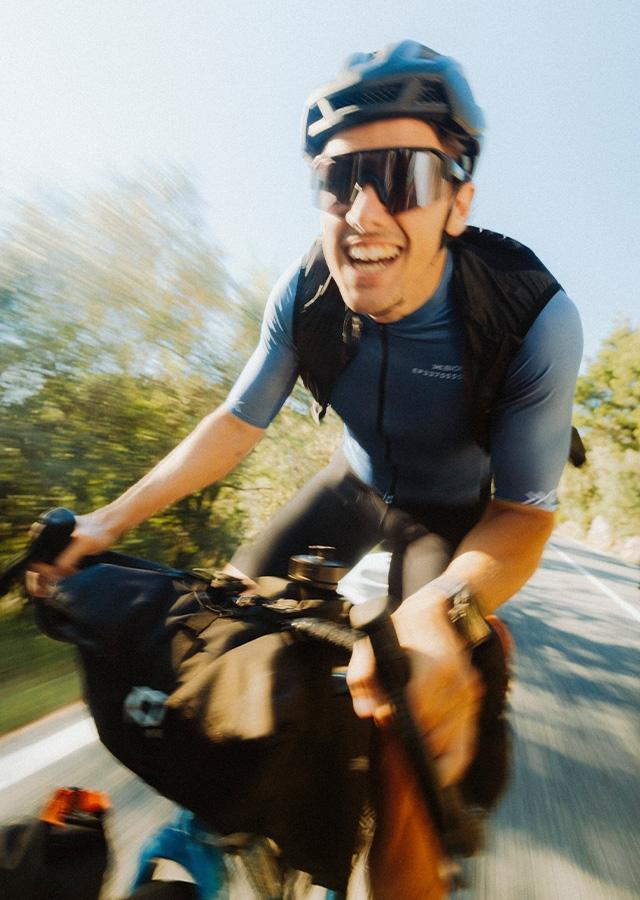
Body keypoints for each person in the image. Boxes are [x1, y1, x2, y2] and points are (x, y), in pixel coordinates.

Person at [28, 38, 582, 894]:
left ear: (458, 202)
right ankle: (222, 817)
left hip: (453, 518)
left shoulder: (530, 315)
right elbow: (235, 424)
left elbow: (523, 513)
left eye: (402, 176)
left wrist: (442, 613)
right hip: (351, 487)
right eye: (338, 179)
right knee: (214, 636)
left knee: (407, 722)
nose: (363, 212)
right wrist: (106, 523)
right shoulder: (305, 291)